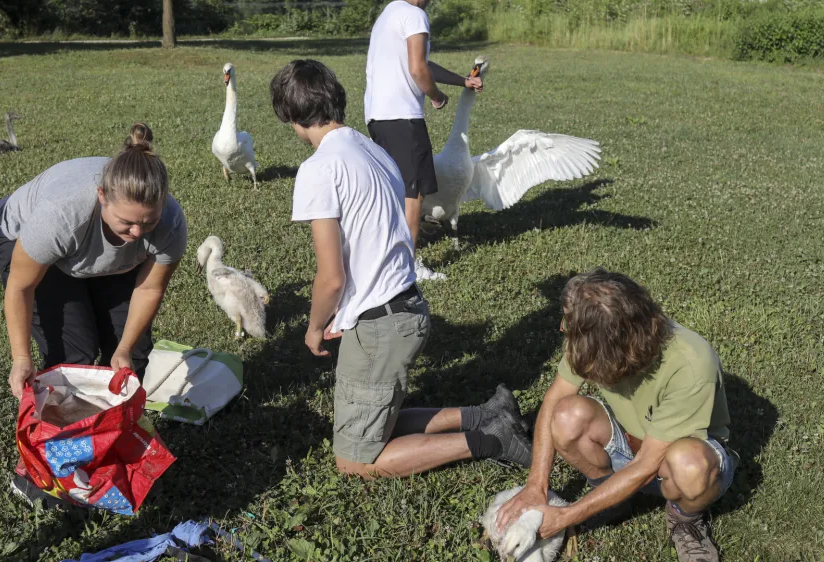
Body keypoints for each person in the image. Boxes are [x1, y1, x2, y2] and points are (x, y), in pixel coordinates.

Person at [270, 59, 531, 477]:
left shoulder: (319, 168)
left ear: (292, 117)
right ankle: (485, 414)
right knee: (381, 423)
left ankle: (493, 439)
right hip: (406, 306)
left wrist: (315, 327)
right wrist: (348, 310)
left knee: (354, 460)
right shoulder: (375, 151)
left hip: (381, 326)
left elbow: (331, 277)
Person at [0, 124, 188, 504]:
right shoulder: (62, 215)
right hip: (30, 239)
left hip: (95, 254)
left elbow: (149, 288)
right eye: (127, 221)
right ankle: (41, 471)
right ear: (101, 197)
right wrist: (20, 358)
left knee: (130, 361)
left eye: (148, 222)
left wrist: (123, 348)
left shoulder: (170, 223)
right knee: (72, 358)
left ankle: (108, 449)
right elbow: (21, 287)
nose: (137, 232)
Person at [495, 269, 737, 562]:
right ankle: (613, 499)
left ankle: (685, 518)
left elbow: (648, 464)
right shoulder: (590, 334)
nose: (563, 330)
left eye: (568, 325)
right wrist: (536, 485)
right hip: (630, 447)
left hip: (670, 462)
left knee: (691, 465)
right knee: (565, 415)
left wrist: (567, 516)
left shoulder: (691, 365)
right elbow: (554, 399)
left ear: (613, 342)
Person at [364, 0, 483, 282]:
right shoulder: (415, 14)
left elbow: (421, 63)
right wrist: (437, 96)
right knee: (413, 194)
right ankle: (408, 266)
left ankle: (384, 256)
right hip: (403, 117)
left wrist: (462, 81)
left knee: (396, 190)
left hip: (378, 117)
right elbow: (418, 69)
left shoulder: (389, 13)